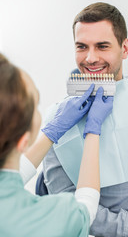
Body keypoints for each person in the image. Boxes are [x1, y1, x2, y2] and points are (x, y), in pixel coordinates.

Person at [42, 2, 128, 237]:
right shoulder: (58, 122)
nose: (91, 57)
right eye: (81, 47)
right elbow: (68, 207)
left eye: (102, 46)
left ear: (124, 48)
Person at [0, 53, 113, 236]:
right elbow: (85, 208)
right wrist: (93, 129)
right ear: (23, 141)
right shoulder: (45, 218)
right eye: (35, 103)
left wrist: (51, 132)